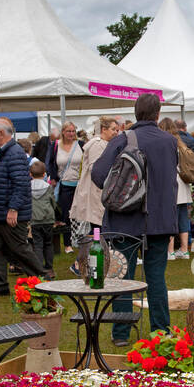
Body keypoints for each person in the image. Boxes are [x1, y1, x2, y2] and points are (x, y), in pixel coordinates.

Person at [90, 93, 178, 346]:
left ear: (136, 112)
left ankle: (121, 333)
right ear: (158, 114)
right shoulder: (169, 141)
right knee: (156, 278)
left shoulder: (122, 139)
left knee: (123, 277)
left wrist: (120, 192)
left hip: (125, 218)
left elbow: (98, 174)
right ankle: (161, 332)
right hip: (160, 220)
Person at [0, 117, 47, 296]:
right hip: (0, 211)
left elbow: (21, 184)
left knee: (19, 248)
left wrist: (14, 209)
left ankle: (41, 279)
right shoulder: (4, 152)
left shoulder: (14, 153)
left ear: (1, 134)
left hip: (10, 212)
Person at [70, 115, 117, 273]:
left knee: (98, 230)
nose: (116, 133)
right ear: (103, 129)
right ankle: (79, 264)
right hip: (95, 192)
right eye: (113, 129)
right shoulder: (98, 144)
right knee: (97, 229)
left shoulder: (104, 144)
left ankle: (89, 262)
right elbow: (97, 170)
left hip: (99, 192)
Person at [48, 121, 85, 255]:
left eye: (73, 131)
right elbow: (51, 163)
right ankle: (68, 243)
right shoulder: (56, 146)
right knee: (66, 215)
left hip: (80, 185)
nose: (71, 134)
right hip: (64, 185)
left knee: (81, 214)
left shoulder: (81, 145)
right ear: (63, 132)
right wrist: (53, 178)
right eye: (68, 131)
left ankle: (81, 240)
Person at [160, 117, 193, 260]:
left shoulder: (165, 143)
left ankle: (170, 251)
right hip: (183, 184)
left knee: (170, 217)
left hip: (171, 183)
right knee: (182, 217)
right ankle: (184, 250)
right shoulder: (181, 143)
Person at [27, 159, 57, 278]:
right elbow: (53, 202)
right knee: (48, 243)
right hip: (48, 218)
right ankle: (49, 268)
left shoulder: (28, 187)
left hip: (34, 219)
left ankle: (39, 268)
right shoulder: (48, 187)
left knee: (38, 244)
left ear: (30, 174)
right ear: (44, 174)